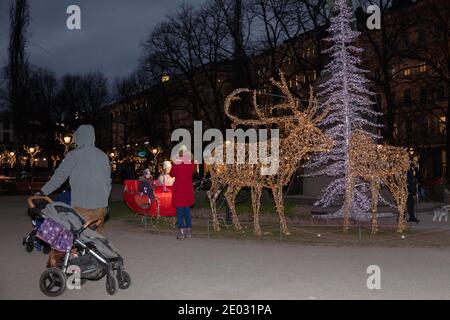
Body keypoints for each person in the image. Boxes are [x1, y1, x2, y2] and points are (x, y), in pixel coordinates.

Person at [40, 125, 112, 234]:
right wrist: (104, 198)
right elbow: (107, 181)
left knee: (76, 240)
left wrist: (43, 192)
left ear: (78, 137)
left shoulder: (73, 155)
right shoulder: (103, 156)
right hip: (101, 206)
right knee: (96, 240)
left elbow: (59, 177)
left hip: (82, 206)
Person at [170, 147, 196, 239]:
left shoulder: (177, 164)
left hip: (179, 190)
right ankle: (189, 231)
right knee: (187, 211)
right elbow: (192, 171)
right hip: (187, 190)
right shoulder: (191, 164)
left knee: (180, 212)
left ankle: (181, 232)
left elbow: (171, 173)